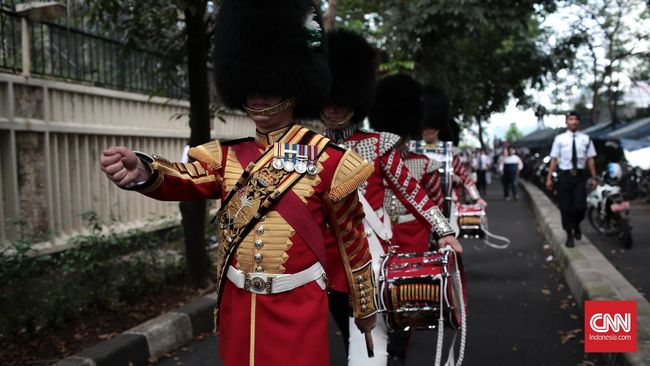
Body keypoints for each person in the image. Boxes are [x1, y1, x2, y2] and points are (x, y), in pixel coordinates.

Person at [100, 2, 377, 365]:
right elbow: (186, 178)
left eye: (271, 85)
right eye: (252, 85)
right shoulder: (228, 156)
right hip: (239, 310)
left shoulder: (332, 161)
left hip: (297, 311)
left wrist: (365, 307)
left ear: (295, 85)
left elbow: (350, 239)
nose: (258, 94)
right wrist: (145, 172)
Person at [321, 31, 462, 366]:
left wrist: (444, 230)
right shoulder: (308, 147)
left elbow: (411, 192)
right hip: (326, 260)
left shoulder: (379, 144)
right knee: (347, 331)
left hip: (369, 255)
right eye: (328, 101)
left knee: (371, 343)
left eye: (341, 102)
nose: (334, 109)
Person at [368, 74, 444, 366]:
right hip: (380, 231)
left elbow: (433, 200)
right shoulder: (370, 157)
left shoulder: (424, 163)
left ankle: (397, 349)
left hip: (413, 232)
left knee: (406, 293)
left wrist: (440, 232)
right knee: (378, 292)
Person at [419, 87, 487, 208]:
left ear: (438, 128)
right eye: (425, 127)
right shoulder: (412, 150)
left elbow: (465, 177)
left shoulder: (448, 152)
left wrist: (477, 197)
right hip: (418, 203)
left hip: (447, 202)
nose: (428, 131)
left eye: (432, 127)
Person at [546, 111, 597, 247]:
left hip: (580, 176)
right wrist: (549, 178)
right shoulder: (560, 139)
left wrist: (594, 177)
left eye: (575, 119)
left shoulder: (585, 139)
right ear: (567, 122)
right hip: (565, 176)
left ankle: (577, 224)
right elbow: (554, 159)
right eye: (570, 119)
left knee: (581, 206)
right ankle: (569, 234)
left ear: (578, 122)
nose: (573, 121)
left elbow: (590, 159)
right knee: (565, 207)